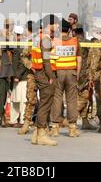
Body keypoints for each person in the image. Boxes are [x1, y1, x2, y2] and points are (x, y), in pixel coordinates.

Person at [30, 15, 60, 146]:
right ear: (51, 24)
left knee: (43, 101)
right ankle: (41, 134)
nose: (58, 27)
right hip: (45, 73)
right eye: (57, 24)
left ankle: (36, 134)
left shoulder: (38, 37)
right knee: (45, 103)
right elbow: (46, 59)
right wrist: (51, 76)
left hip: (38, 72)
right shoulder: (46, 39)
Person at [50, 19, 81, 137]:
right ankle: (72, 128)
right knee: (72, 99)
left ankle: (55, 128)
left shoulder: (54, 41)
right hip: (72, 72)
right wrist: (77, 73)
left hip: (58, 73)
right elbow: (79, 59)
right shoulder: (75, 41)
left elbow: (50, 57)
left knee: (57, 98)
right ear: (69, 30)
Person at [18, 21, 38, 135]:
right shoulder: (32, 42)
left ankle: (43, 125)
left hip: (46, 75)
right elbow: (24, 56)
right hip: (33, 74)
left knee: (46, 101)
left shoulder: (49, 42)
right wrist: (30, 66)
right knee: (30, 99)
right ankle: (26, 123)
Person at [0, 19, 15, 127]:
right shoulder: (0, 36)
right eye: (7, 26)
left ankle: (3, 116)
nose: (9, 27)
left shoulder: (12, 36)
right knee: (0, 95)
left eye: (10, 25)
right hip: (1, 71)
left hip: (9, 71)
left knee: (7, 95)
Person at [10, 25, 28, 128]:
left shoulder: (23, 46)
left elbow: (23, 63)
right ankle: (13, 120)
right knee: (14, 99)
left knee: (22, 100)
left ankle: (22, 120)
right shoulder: (16, 46)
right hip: (16, 77)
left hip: (22, 78)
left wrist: (17, 76)